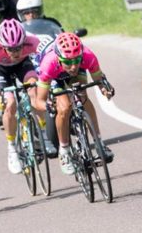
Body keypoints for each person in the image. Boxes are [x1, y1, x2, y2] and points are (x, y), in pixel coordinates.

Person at [33, 32, 114, 175]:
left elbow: (99, 79)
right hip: (55, 76)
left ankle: (99, 143)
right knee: (64, 107)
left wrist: (105, 90)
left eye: (77, 60)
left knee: (82, 95)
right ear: (59, 57)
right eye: (68, 62)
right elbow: (39, 100)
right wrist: (48, 106)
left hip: (73, 72)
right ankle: (64, 151)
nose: (73, 66)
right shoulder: (48, 63)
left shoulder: (88, 56)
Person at [0, 19, 55, 174]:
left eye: (18, 47)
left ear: (24, 41)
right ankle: (12, 150)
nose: (15, 52)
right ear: (2, 45)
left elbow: (47, 64)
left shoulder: (32, 40)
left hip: (24, 65)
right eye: (10, 49)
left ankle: (43, 135)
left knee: (34, 91)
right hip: (1, 70)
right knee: (9, 104)